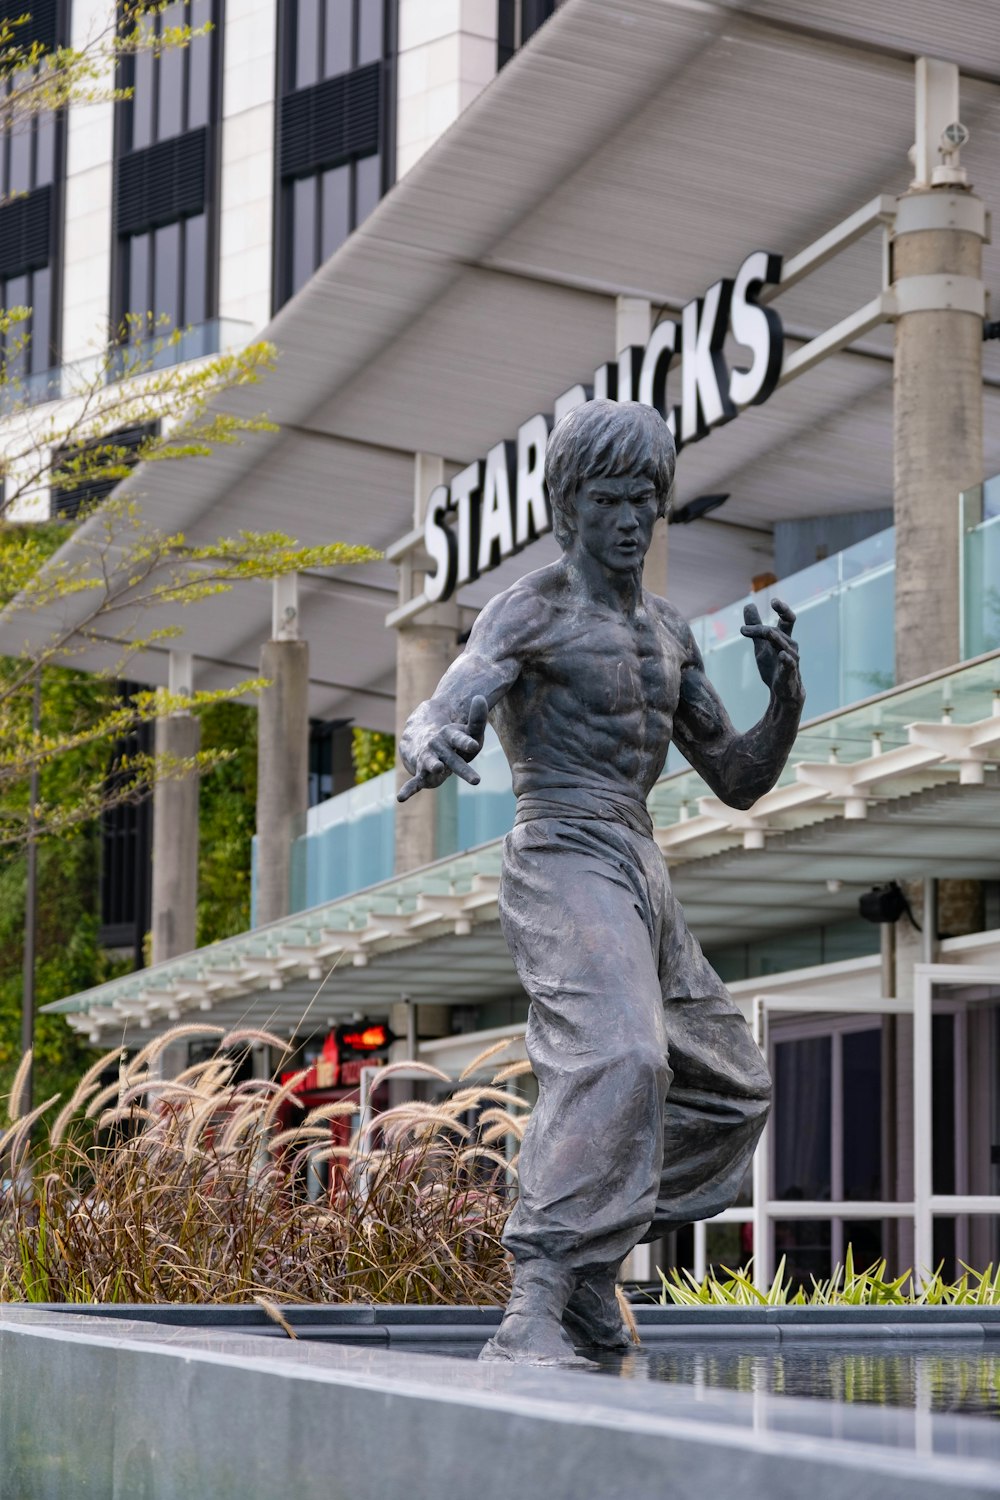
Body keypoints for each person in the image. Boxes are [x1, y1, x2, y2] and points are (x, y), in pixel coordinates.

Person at [398, 399, 805, 1365]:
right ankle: (537, 1291)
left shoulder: (669, 633)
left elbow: (739, 778)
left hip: (639, 862)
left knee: (732, 1085)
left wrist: (786, 700)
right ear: (568, 505)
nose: (632, 521)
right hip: (561, 853)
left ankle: (588, 1261)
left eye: (648, 502)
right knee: (623, 1056)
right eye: (612, 500)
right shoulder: (526, 610)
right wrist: (427, 741)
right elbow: (446, 699)